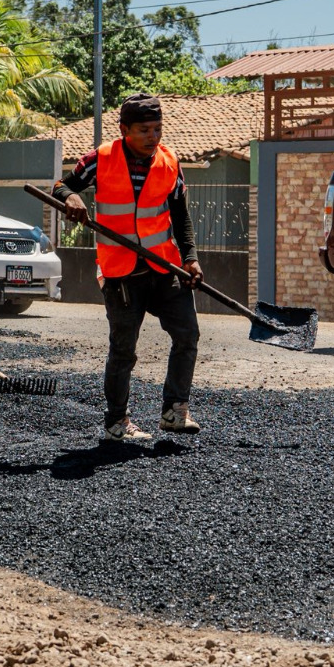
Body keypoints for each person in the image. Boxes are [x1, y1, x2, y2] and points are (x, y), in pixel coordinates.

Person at [55, 92, 204, 442]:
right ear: (124, 130)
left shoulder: (170, 162)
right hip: (121, 272)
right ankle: (117, 422)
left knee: (188, 336)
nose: (153, 137)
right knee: (124, 350)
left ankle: (175, 411)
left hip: (165, 267)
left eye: (158, 129)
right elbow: (61, 186)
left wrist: (191, 257)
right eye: (144, 130)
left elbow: (181, 216)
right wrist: (72, 198)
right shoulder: (100, 159)